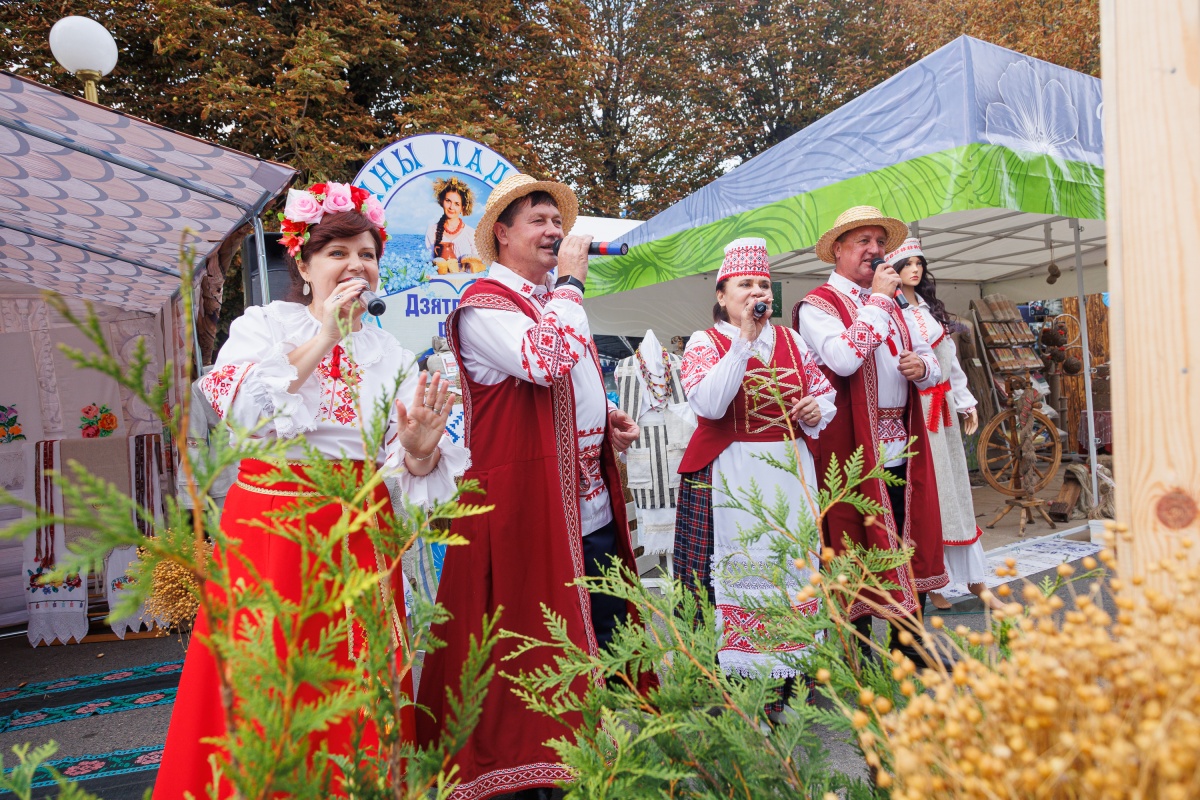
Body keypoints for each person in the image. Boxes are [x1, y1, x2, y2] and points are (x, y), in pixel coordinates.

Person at [155, 182, 468, 799]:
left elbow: (406, 463)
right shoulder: (263, 327)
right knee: (269, 678)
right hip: (273, 531)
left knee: (365, 677)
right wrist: (324, 334)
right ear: (303, 265)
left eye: (367, 254)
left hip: (362, 534)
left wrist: (420, 447)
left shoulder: (388, 352)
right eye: (338, 253)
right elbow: (242, 413)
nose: (356, 266)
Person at [415, 173, 643, 800]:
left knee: (599, 641)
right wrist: (570, 285)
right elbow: (544, 362)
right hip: (526, 510)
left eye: (557, 222)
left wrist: (604, 418)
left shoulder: (549, 302)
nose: (554, 232)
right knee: (535, 649)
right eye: (538, 221)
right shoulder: (484, 304)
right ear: (502, 234)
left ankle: (590, 762)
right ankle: (536, 778)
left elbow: (570, 379)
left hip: (585, 507)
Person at [674, 237, 836, 719]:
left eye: (763, 283)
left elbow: (824, 392)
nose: (757, 291)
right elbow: (709, 405)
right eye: (744, 284)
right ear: (721, 294)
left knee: (791, 568)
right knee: (737, 573)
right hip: (731, 472)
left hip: (789, 471)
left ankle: (790, 677)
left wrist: (815, 409)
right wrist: (743, 341)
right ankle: (738, 687)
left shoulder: (792, 340)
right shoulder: (705, 342)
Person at [793, 207, 947, 660]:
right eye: (863, 241)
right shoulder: (818, 305)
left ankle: (909, 646)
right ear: (837, 250)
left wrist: (923, 368)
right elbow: (843, 360)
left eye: (880, 242)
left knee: (906, 539)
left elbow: (930, 358)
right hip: (849, 448)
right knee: (851, 544)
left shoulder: (895, 303)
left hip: (901, 442)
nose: (875, 250)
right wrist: (878, 301)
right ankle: (854, 654)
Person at [890, 238, 1001, 612]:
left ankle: (975, 580)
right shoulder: (891, 312)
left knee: (956, 492)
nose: (915, 269)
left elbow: (950, 363)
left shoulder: (930, 310)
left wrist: (966, 403)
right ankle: (931, 582)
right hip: (915, 413)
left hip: (944, 410)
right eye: (907, 263)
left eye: (919, 263)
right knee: (929, 496)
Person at [425, 176, 484, 273]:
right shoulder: (432, 231)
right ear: (442, 201)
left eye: (457, 204)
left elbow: (478, 267)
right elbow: (428, 265)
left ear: (462, 208)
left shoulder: (471, 233)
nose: (451, 207)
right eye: (448, 201)